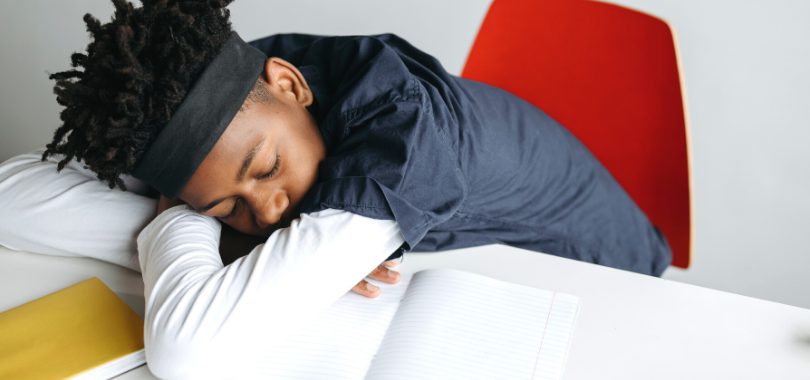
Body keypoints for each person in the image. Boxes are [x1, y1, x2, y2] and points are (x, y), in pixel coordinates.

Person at [0, 0, 671, 377]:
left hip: (603, 292)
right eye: (224, 205)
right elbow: (10, 199)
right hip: (477, 250)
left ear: (289, 83)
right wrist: (199, 219)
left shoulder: (402, 145)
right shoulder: (224, 92)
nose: (264, 211)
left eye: (263, 171)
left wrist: (184, 221)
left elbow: (188, 351)